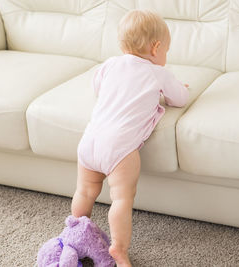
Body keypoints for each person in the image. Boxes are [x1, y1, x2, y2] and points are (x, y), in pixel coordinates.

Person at [71, 9, 189, 267]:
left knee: (85, 190)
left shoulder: (109, 65)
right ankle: (119, 250)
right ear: (156, 48)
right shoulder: (157, 73)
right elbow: (179, 99)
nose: (165, 56)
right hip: (120, 147)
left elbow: (97, 88)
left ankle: (75, 233)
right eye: (166, 51)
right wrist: (180, 88)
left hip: (90, 140)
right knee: (121, 199)